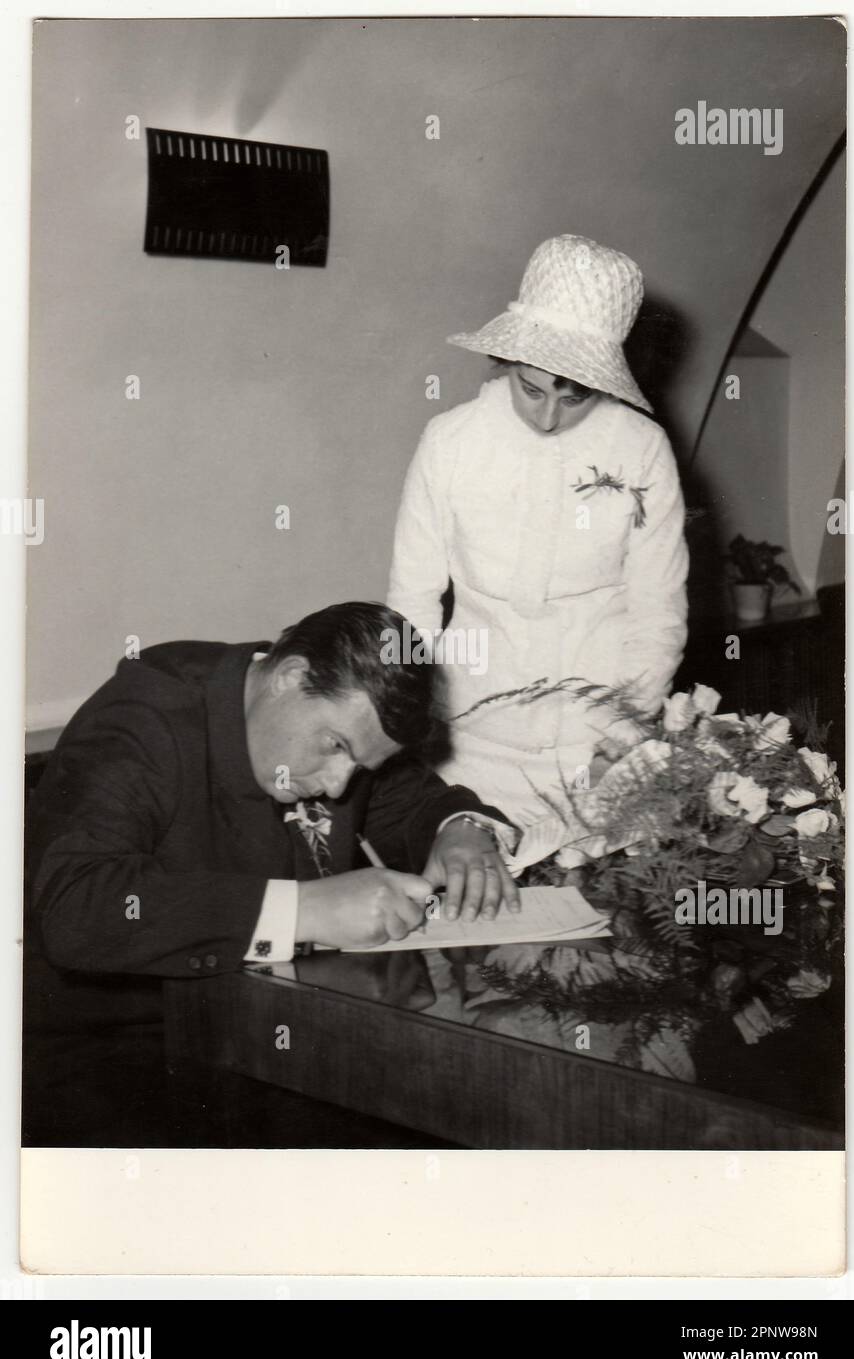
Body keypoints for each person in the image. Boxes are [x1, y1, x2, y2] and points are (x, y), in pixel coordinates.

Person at [23, 601, 518, 1144]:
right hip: (118, 1046)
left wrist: (460, 828)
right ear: (290, 676)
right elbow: (77, 906)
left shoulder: (333, 716)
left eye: (358, 766)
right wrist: (306, 910)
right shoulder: (144, 717)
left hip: (268, 1027)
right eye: (334, 747)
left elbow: (407, 797)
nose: (336, 784)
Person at [388, 234, 689, 827]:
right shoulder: (449, 441)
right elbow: (413, 603)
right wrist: (409, 726)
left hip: (597, 751)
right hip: (466, 746)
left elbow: (657, 613)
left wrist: (621, 738)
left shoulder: (641, 449)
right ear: (507, 359)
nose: (548, 418)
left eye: (574, 398)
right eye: (532, 390)